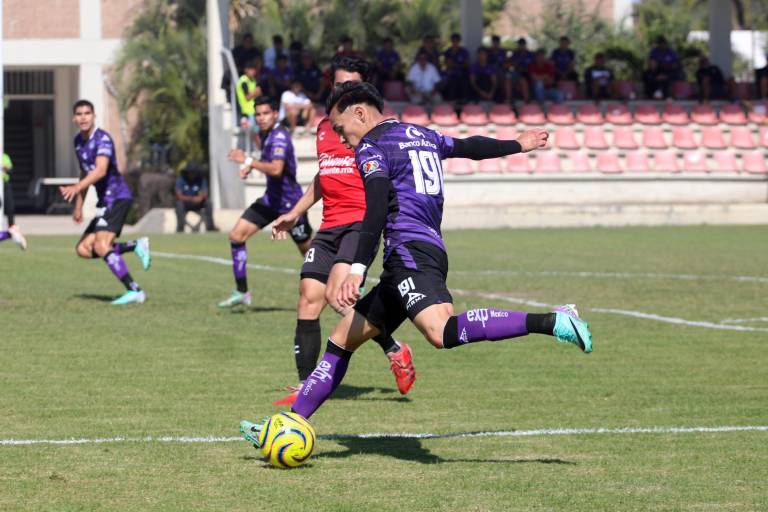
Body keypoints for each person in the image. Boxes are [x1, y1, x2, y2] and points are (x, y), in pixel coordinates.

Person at [239, 81, 592, 438]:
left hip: (411, 252)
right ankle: (285, 425)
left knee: (441, 332)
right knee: (341, 340)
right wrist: (518, 144)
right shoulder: (421, 134)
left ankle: (554, 320)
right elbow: (469, 147)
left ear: (360, 113)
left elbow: (374, 208)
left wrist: (357, 269)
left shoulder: (372, 146)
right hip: (411, 256)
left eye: (342, 129)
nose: (343, 141)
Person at [268, 55, 416, 406]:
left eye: (349, 84)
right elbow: (324, 175)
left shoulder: (377, 130)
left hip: (360, 222)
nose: (342, 90)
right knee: (308, 297)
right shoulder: (325, 127)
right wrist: (294, 213)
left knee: (337, 296)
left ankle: (393, 349)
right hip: (329, 223)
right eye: (338, 84)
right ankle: (308, 386)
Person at [219, 96, 312, 308]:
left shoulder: (279, 136)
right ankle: (242, 291)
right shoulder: (267, 134)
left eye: (265, 113)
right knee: (236, 236)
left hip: (290, 205)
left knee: (309, 252)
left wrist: (248, 160)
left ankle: (343, 281)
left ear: (274, 114)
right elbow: (269, 163)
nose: (261, 118)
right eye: (257, 114)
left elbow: (277, 169)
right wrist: (250, 167)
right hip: (271, 200)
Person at [60, 100, 151, 305]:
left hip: (117, 196)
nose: (83, 117)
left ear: (94, 116)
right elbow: (84, 171)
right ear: (74, 118)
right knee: (83, 249)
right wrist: (78, 205)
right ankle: (136, 245)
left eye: (87, 113)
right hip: (104, 200)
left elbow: (100, 170)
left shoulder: (103, 139)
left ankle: (134, 290)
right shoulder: (78, 142)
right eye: (79, 114)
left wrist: (76, 188)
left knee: (101, 245)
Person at [175, 162, 217, 233]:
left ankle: (210, 226)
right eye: (190, 172)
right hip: (185, 203)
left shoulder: (201, 179)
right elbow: (178, 195)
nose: (192, 174)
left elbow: (205, 193)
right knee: (179, 204)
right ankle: (180, 228)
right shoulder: (181, 179)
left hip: (198, 203)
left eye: (194, 172)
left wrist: (200, 198)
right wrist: (191, 199)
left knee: (208, 202)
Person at [0, 152, 28, 250]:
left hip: (4, 184)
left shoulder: (4, 156)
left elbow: (10, 169)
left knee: (9, 207)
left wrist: (5, 168)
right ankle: (11, 233)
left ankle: (11, 230)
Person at [236, 60, 263, 150]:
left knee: (257, 131)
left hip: (253, 110)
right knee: (253, 132)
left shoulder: (253, 80)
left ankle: (259, 149)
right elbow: (248, 97)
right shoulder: (243, 81)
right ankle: (259, 149)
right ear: (246, 70)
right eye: (250, 69)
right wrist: (257, 91)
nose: (253, 72)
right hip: (246, 112)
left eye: (254, 70)